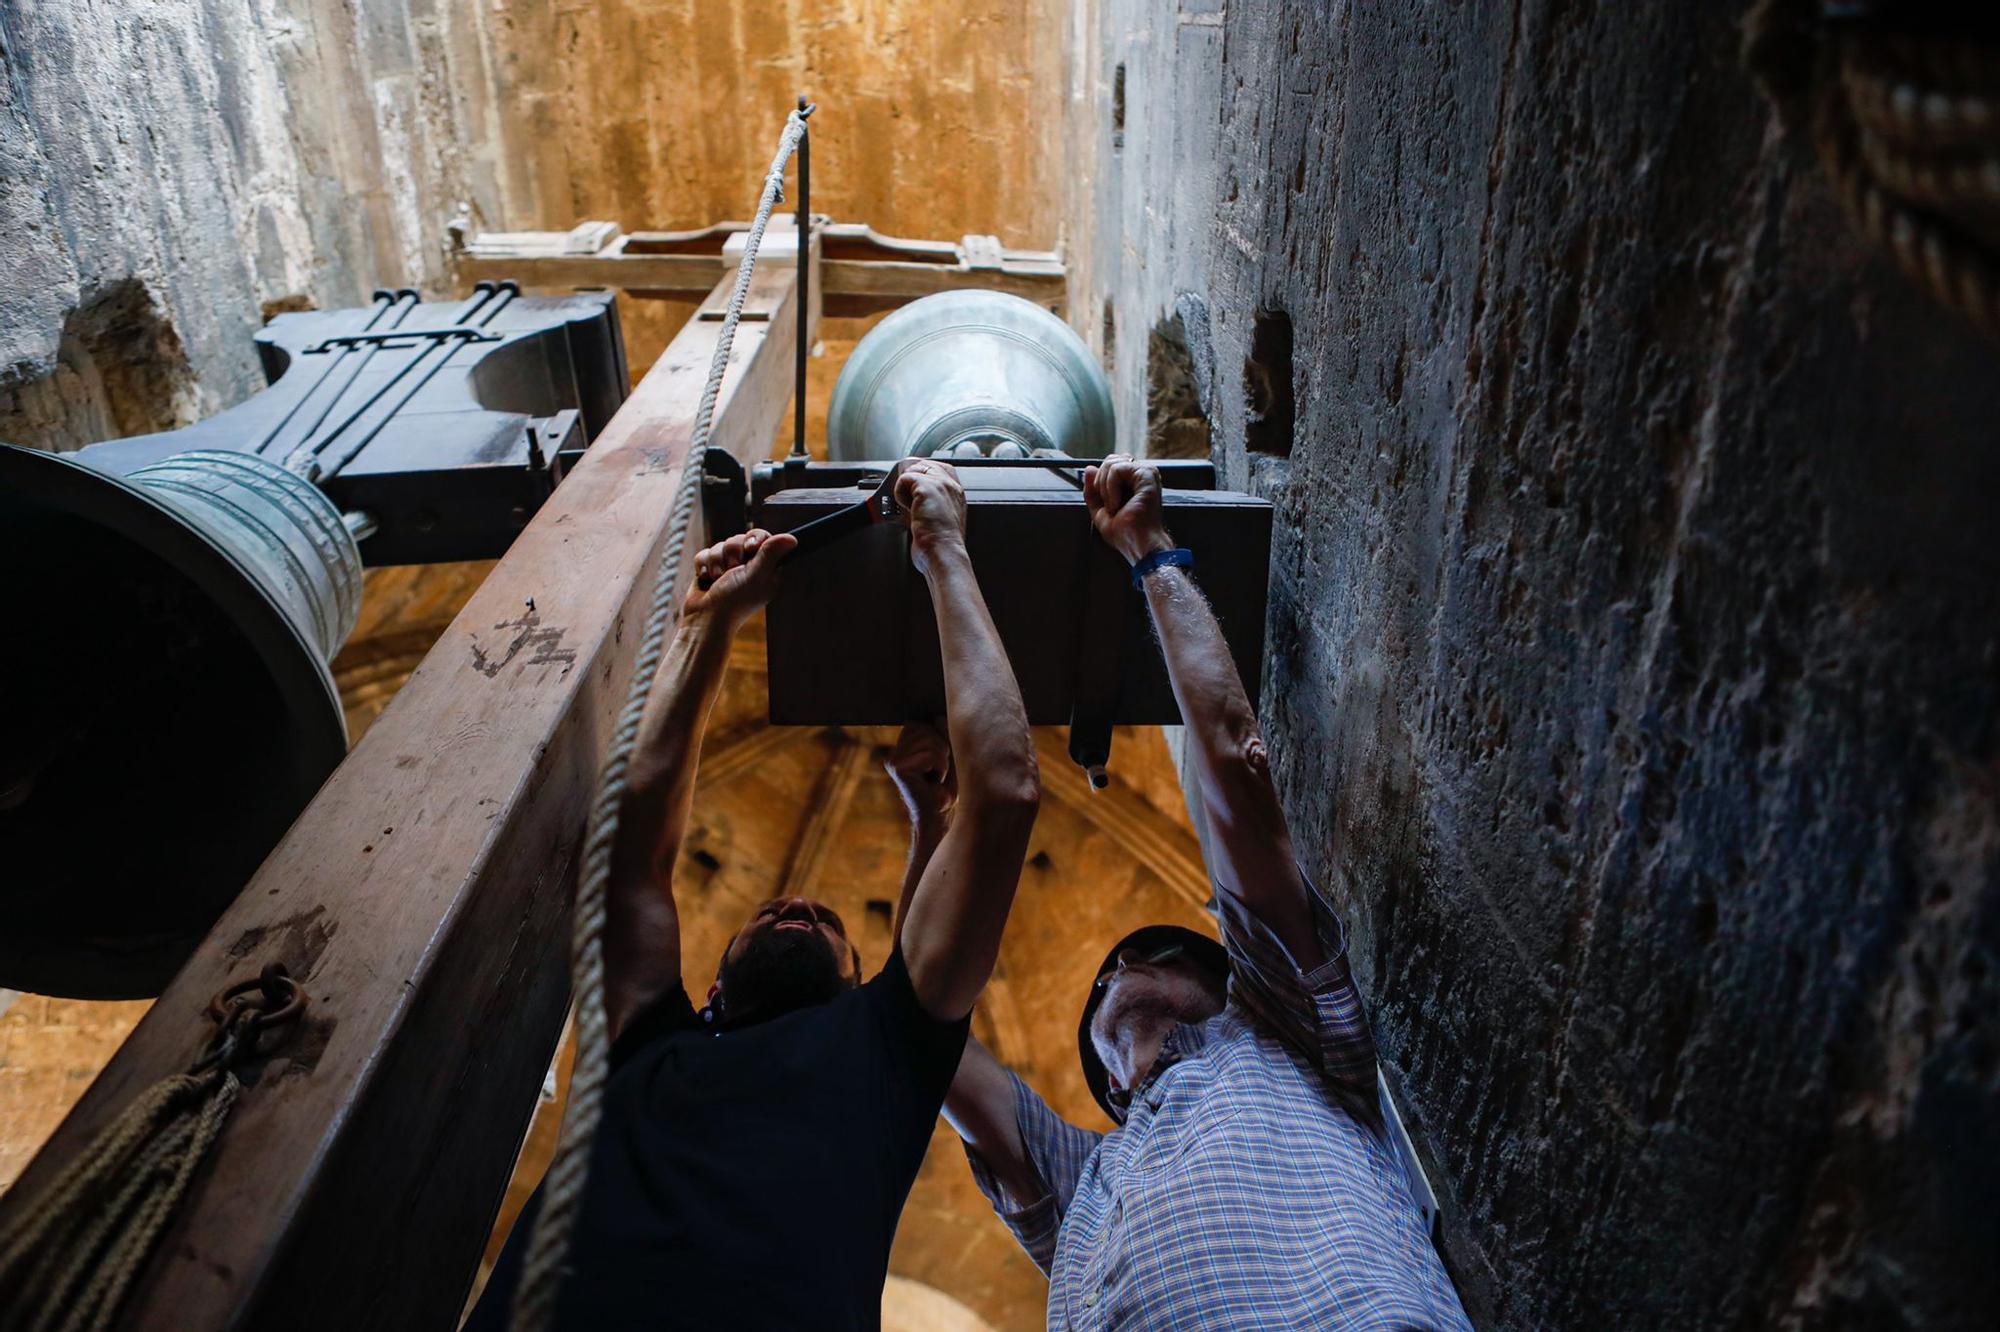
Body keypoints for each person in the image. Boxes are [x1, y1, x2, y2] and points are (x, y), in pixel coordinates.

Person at [469, 457, 1040, 1331]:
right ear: (707, 993)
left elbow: (1002, 794)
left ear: (861, 989)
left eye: (821, 921)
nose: (797, 909)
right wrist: (708, 622)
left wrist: (945, 548)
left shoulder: (891, 1048)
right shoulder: (646, 1047)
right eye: (780, 913)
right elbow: (630, 849)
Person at [940, 455, 1472, 1330]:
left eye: (1158, 953)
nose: (1123, 963)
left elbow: (1233, 763)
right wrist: (932, 818)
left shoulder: (1289, 1032)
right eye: (1114, 972)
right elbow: (918, 1034)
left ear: (1233, 988)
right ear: (1109, 1094)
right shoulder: (1086, 1181)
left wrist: (1152, 554)